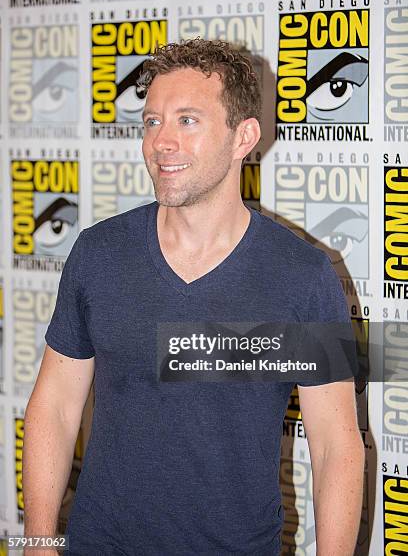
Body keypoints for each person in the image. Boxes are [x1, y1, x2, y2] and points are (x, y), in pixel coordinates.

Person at [23, 39, 365, 555]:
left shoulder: (304, 275)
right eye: (152, 121)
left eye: (187, 121)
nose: (162, 142)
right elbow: (54, 406)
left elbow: (337, 446)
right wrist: (39, 543)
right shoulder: (98, 254)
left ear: (242, 137)